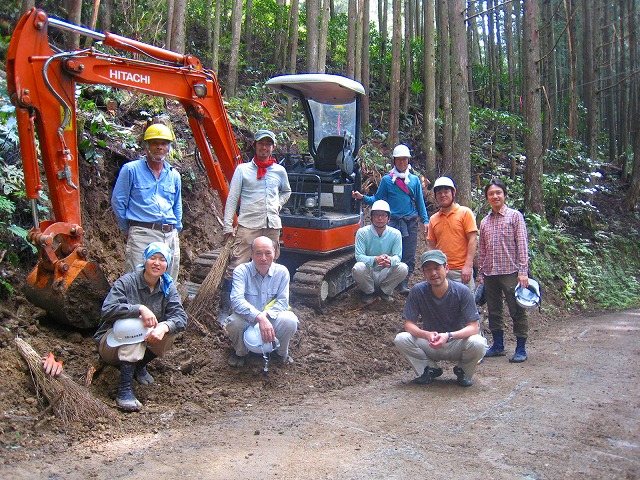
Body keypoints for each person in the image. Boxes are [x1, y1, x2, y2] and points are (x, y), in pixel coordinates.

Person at [94, 242, 188, 411]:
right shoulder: (127, 282)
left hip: (140, 342)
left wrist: (164, 326)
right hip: (111, 344)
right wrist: (138, 309)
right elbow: (107, 310)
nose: (157, 263)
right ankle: (124, 391)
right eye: (153, 258)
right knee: (137, 325)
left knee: (169, 332)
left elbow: (181, 317)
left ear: (167, 264)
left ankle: (137, 366)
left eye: (162, 259)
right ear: (145, 260)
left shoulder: (167, 287)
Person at [219, 129, 292, 323]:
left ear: (273, 147)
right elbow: (232, 197)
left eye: (268, 144)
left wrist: (278, 203)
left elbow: (287, 191)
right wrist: (228, 226)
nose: (264, 147)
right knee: (237, 265)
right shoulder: (243, 170)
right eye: (261, 143)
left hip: (272, 226)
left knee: (269, 263)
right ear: (255, 145)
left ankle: (267, 306)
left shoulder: (279, 171)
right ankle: (227, 308)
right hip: (248, 225)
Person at [394, 250, 486, 387]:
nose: (433, 273)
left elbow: (474, 327)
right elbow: (409, 325)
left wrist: (449, 336)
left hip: (456, 342)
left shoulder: (462, 291)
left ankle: (463, 371)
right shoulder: (417, 291)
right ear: (424, 273)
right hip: (431, 342)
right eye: (428, 270)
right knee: (401, 339)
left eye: (437, 268)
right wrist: (426, 334)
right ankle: (429, 369)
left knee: (478, 342)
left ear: (446, 269)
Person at [352, 144, 429, 294]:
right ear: (394, 161)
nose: (401, 162)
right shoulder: (388, 180)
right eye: (398, 159)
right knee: (390, 251)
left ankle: (403, 282)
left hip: (410, 221)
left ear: (408, 161)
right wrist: (363, 198)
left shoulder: (414, 181)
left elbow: (420, 202)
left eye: (404, 159)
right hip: (392, 220)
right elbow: (377, 199)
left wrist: (425, 220)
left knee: (409, 253)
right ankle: (382, 280)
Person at [111, 123, 182, 280]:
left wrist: (176, 229)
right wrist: (127, 229)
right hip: (143, 234)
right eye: (154, 143)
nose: (159, 147)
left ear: (169, 147)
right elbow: (118, 201)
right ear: (146, 146)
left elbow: (177, 205)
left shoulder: (174, 175)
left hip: (169, 235)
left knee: (168, 283)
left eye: (163, 143)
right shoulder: (131, 170)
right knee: (137, 281)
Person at [224, 236, 299, 367]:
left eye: (268, 253)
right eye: (258, 253)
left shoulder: (282, 272)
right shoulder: (241, 271)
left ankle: (281, 354)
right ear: (251, 254)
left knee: (290, 320)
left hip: (271, 318)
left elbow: (282, 302)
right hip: (248, 319)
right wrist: (259, 317)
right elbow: (236, 301)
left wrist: (265, 317)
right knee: (234, 323)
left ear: (274, 254)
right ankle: (240, 353)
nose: (263, 258)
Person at [478, 178, 530, 363]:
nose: (495, 196)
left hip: (511, 272)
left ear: (505, 195)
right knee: (494, 310)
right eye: (491, 193)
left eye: (498, 192)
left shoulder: (515, 216)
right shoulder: (484, 222)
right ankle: (498, 346)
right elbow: (482, 249)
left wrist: (523, 271)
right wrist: (481, 273)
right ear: (487, 198)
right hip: (490, 273)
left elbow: (522, 245)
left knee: (517, 309)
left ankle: (521, 348)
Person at [426, 176, 478, 291]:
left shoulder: (465, 213)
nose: (443, 195)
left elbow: (472, 239)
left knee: (466, 304)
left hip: (461, 269)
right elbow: (431, 245)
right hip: (442, 269)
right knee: (443, 304)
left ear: (453, 193)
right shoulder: (434, 219)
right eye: (439, 193)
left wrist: (468, 266)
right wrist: (433, 267)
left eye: (446, 191)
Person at [352, 200, 408, 303]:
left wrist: (390, 260)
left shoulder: (395, 234)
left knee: (403, 268)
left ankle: (385, 291)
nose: (380, 218)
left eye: (383, 215)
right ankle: (368, 292)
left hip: (386, 271)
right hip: (369, 271)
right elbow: (359, 256)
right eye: (377, 215)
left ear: (388, 218)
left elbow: (397, 256)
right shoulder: (362, 233)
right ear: (371, 217)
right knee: (358, 267)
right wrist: (375, 259)